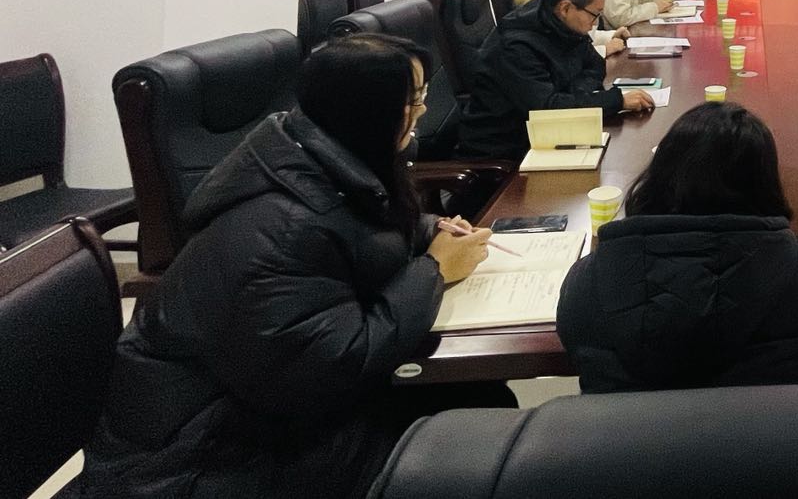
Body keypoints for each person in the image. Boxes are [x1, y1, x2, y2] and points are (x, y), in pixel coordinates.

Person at [80, 35, 512, 499]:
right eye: (413, 100)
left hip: (269, 416)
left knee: (481, 399)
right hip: (202, 459)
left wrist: (430, 230)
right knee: (476, 440)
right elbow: (340, 365)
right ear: (368, 109)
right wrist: (433, 268)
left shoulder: (320, 152)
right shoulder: (280, 227)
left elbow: (363, 227)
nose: (423, 111)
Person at [557, 103, 798, 393]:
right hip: (789, 443)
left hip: (635, 445)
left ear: (659, 178)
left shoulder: (589, 284)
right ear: (766, 185)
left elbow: (578, 350)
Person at [457, 0, 654, 159]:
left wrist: (572, 95)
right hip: (505, 150)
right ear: (565, 8)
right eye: (594, 14)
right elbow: (547, 108)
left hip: (546, 133)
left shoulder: (564, 23)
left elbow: (594, 65)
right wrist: (616, 101)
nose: (595, 23)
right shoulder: (516, 45)